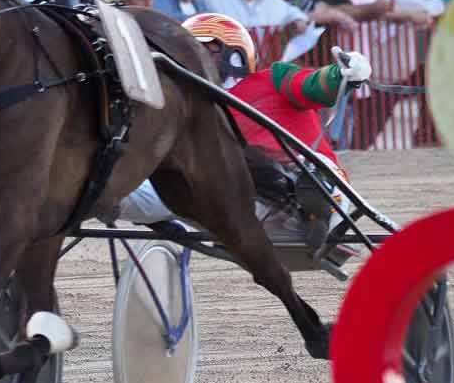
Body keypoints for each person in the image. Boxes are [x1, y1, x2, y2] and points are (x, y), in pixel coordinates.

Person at [115, 12, 370, 227]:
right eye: (186, 52)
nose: (191, 60)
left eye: (205, 51)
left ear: (233, 54)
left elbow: (313, 85)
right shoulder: (184, 106)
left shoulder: (273, 78)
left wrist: (342, 73)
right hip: (237, 196)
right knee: (153, 184)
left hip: (310, 184)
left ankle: (315, 210)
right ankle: (95, 198)